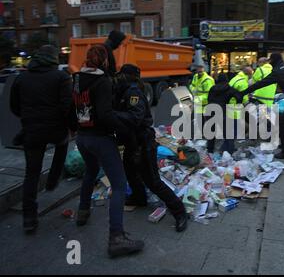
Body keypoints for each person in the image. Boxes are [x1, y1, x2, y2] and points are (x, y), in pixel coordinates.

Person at [71, 45, 144, 258]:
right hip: (100, 138)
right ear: (104, 61)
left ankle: (82, 213)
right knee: (120, 184)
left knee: (91, 171)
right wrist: (124, 130)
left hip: (82, 138)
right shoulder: (102, 81)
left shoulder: (76, 78)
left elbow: (71, 108)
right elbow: (105, 114)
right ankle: (116, 238)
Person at [113, 64, 188, 232]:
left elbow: (135, 117)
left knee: (153, 181)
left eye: (122, 75)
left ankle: (179, 211)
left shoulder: (133, 93)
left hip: (143, 143)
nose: (119, 78)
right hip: (132, 143)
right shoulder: (123, 91)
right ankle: (139, 198)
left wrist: (112, 115)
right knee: (131, 173)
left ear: (129, 77)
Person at [10, 45, 74, 233]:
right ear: (53, 59)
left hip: (31, 131)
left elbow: (14, 106)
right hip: (55, 128)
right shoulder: (61, 77)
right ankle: (53, 179)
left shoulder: (22, 78)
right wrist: (72, 127)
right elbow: (67, 106)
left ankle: (29, 218)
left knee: (31, 174)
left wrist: (28, 118)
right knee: (62, 145)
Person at [237, 53, 284, 160]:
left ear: (273, 61)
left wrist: (243, 92)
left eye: (270, 61)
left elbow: (261, 84)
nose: (269, 63)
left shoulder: (278, 72)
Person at [207, 73, 244, 154]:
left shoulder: (212, 88)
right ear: (227, 80)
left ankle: (210, 150)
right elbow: (239, 97)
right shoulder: (229, 89)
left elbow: (208, 99)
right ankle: (229, 152)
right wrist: (237, 104)